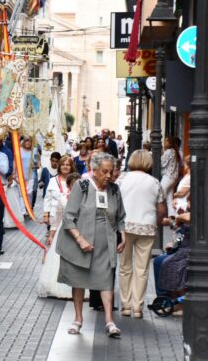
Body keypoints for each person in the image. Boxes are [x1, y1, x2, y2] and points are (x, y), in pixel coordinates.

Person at [56, 152, 126, 338]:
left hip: (105, 246)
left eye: (111, 172)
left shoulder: (114, 190)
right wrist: (80, 240)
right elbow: (68, 217)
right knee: (79, 282)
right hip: (82, 244)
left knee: (106, 281)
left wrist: (123, 236)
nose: (109, 176)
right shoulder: (82, 186)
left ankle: (110, 321)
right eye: (104, 172)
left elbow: (121, 217)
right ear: (94, 170)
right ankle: (78, 320)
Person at [117, 150, 167, 319]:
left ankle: (125, 305)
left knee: (125, 267)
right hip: (146, 228)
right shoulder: (154, 182)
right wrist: (156, 224)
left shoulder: (122, 179)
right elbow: (162, 209)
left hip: (125, 227)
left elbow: (114, 201)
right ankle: (137, 307)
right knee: (142, 269)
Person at [38, 156, 76, 299]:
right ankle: (55, 282)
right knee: (55, 249)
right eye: (63, 165)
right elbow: (47, 198)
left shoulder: (74, 181)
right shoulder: (53, 181)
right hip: (56, 216)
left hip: (71, 219)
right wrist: (46, 215)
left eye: (68, 165)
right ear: (59, 166)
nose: (65, 167)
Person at [161, 136, 180, 214]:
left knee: (161, 194)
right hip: (173, 177)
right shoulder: (174, 151)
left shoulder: (169, 151)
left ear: (171, 143)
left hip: (168, 176)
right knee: (169, 198)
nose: (164, 143)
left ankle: (161, 213)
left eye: (167, 141)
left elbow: (162, 163)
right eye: (164, 141)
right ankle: (171, 215)